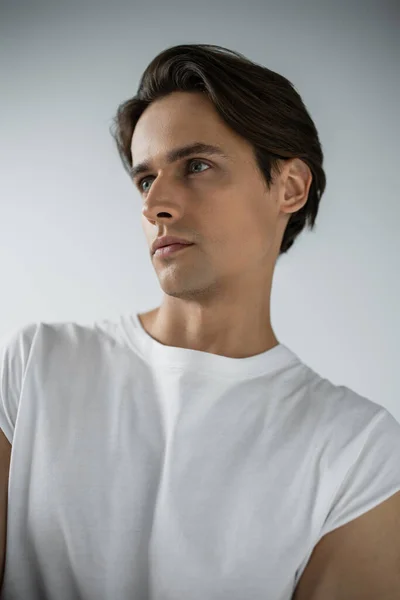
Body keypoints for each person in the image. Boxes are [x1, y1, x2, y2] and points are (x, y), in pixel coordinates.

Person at [0, 43, 399, 600]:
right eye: (145, 180)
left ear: (289, 187)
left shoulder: (356, 450)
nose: (155, 203)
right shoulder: (36, 367)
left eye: (197, 166)